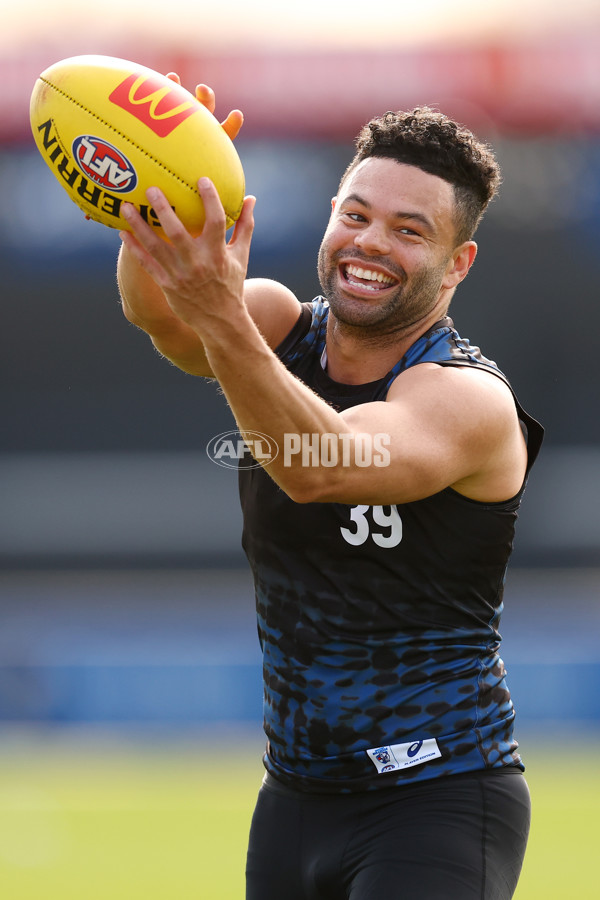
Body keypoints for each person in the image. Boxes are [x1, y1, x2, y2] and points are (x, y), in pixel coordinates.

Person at [117, 83, 543, 900]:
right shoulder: (278, 323)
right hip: (293, 800)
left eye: (409, 230)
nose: (370, 243)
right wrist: (149, 199)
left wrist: (220, 318)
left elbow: (321, 467)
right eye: (356, 214)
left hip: (440, 795)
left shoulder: (467, 399)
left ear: (459, 264)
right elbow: (162, 318)